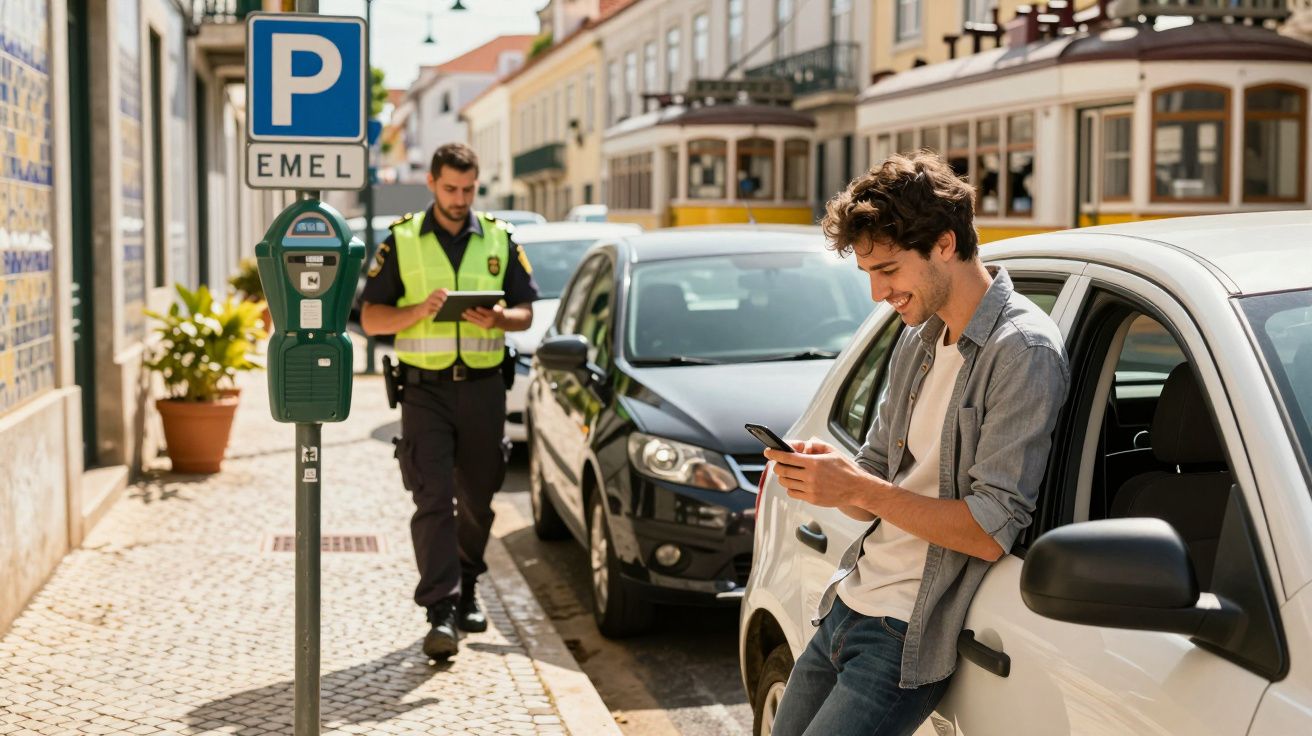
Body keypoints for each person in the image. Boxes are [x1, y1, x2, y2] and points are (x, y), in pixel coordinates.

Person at [762, 152, 1069, 735]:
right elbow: (876, 476)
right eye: (869, 274)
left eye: (889, 270)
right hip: (848, 603)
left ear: (946, 244)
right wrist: (829, 478)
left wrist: (862, 489)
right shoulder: (919, 340)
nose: (879, 293)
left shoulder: (1021, 350)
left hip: (903, 638)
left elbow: (988, 529)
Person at [361, 143, 538, 660]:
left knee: (480, 496)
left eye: (468, 189)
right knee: (433, 496)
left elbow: (526, 310)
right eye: (450, 189)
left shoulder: (502, 239)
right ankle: (440, 610)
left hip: (484, 387)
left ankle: (467, 585)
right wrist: (417, 311)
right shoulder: (401, 241)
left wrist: (500, 319)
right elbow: (372, 319)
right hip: (424, 390)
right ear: (433, 183)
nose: (459, 199)